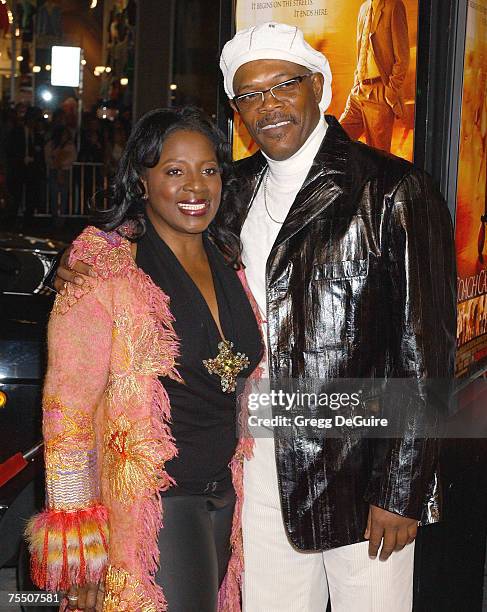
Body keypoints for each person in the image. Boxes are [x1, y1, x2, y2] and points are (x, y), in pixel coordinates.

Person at [53, 21, 456, 612]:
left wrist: (403, 488)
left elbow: (426, 350)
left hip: (360, 468)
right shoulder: (231, 188)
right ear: (237, 110)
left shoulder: (394, 191)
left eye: (283, 85)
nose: (267, 106)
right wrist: (81, 260)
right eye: (249, 96)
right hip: (254, 466)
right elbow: (155, 227)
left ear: (317, 85)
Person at [27, 107, 263, 612]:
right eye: (174, 171)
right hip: (154, 503)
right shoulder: (104, 269)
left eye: (208, 169)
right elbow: (66, 416)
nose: (194, 186)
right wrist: (78, 556)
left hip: (225, 493)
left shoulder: (229, 259)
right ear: (142, 178)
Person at [339, 0, 410, 152]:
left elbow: (402, 56)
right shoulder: (364, 8)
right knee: (336, 140)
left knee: (378, 158)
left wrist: (390, 90)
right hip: (358, 91)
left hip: (379, 94)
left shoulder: (394, 6)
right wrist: (356, 81)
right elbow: (360, 49)